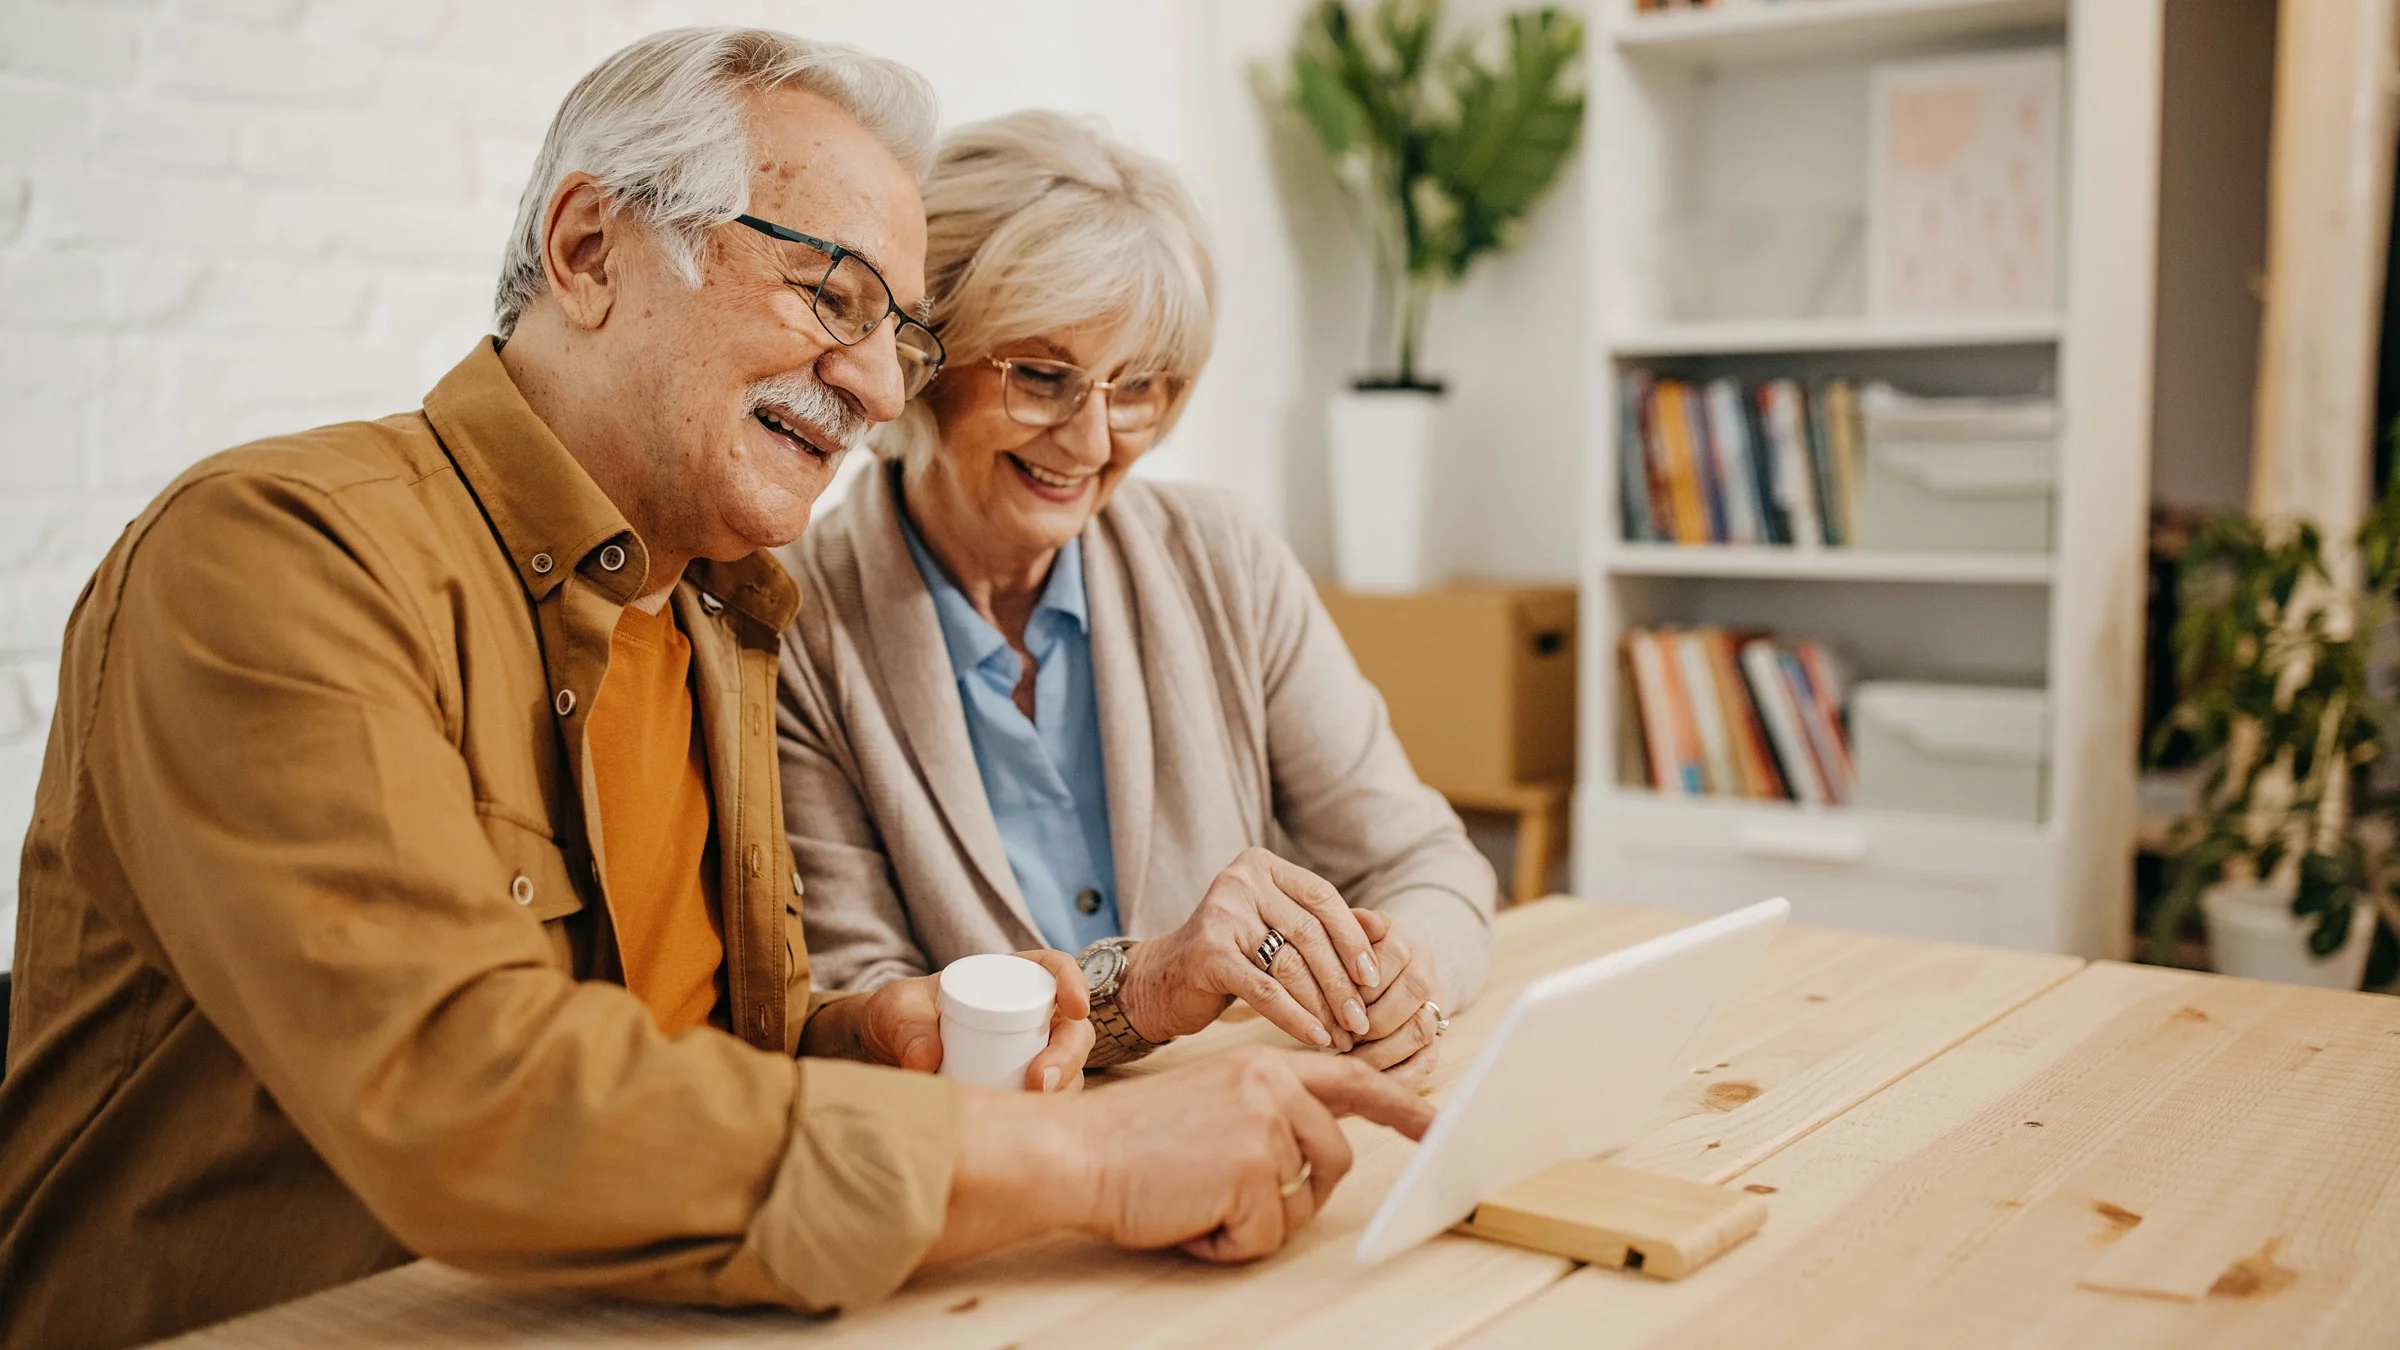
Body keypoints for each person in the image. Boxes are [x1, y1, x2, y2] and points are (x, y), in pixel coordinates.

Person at [0, 30, 1431, 1350]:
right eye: (834, 293)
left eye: (906, 335)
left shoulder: (715, 616)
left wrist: (874, 1036)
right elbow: (471, 1093)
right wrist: (1102, 1157)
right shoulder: (277, 554)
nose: (879, 385)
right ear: (588, 246)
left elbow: (695, 1067)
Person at [777, 111, 1497, 1083]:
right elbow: (857, 1022)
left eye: (1141, 387)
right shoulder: (795, 629)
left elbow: (1430, 866)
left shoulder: (1223, 558)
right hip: (1007, 1192)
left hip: (1245, 1134)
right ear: (919, 358)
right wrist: (1143, 990)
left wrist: (1402, 974)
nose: (1092, 441)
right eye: (1042, 376)